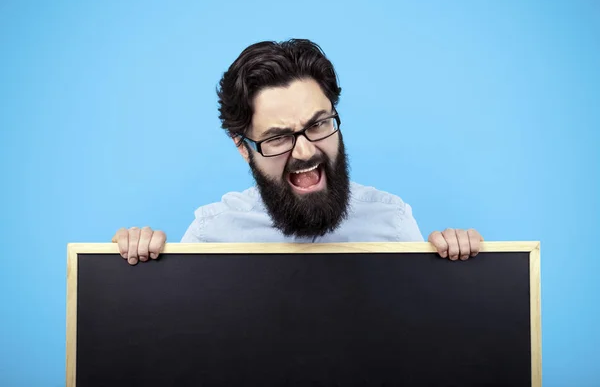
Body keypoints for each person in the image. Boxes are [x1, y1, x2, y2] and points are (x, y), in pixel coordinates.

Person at [112, 38, 483, 265]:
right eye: (277, 137)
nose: (305, 151)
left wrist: (461, 265)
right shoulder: (212, 235)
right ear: (243, 148)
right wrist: (134, 263)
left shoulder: (392, 223)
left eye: (318, 124)